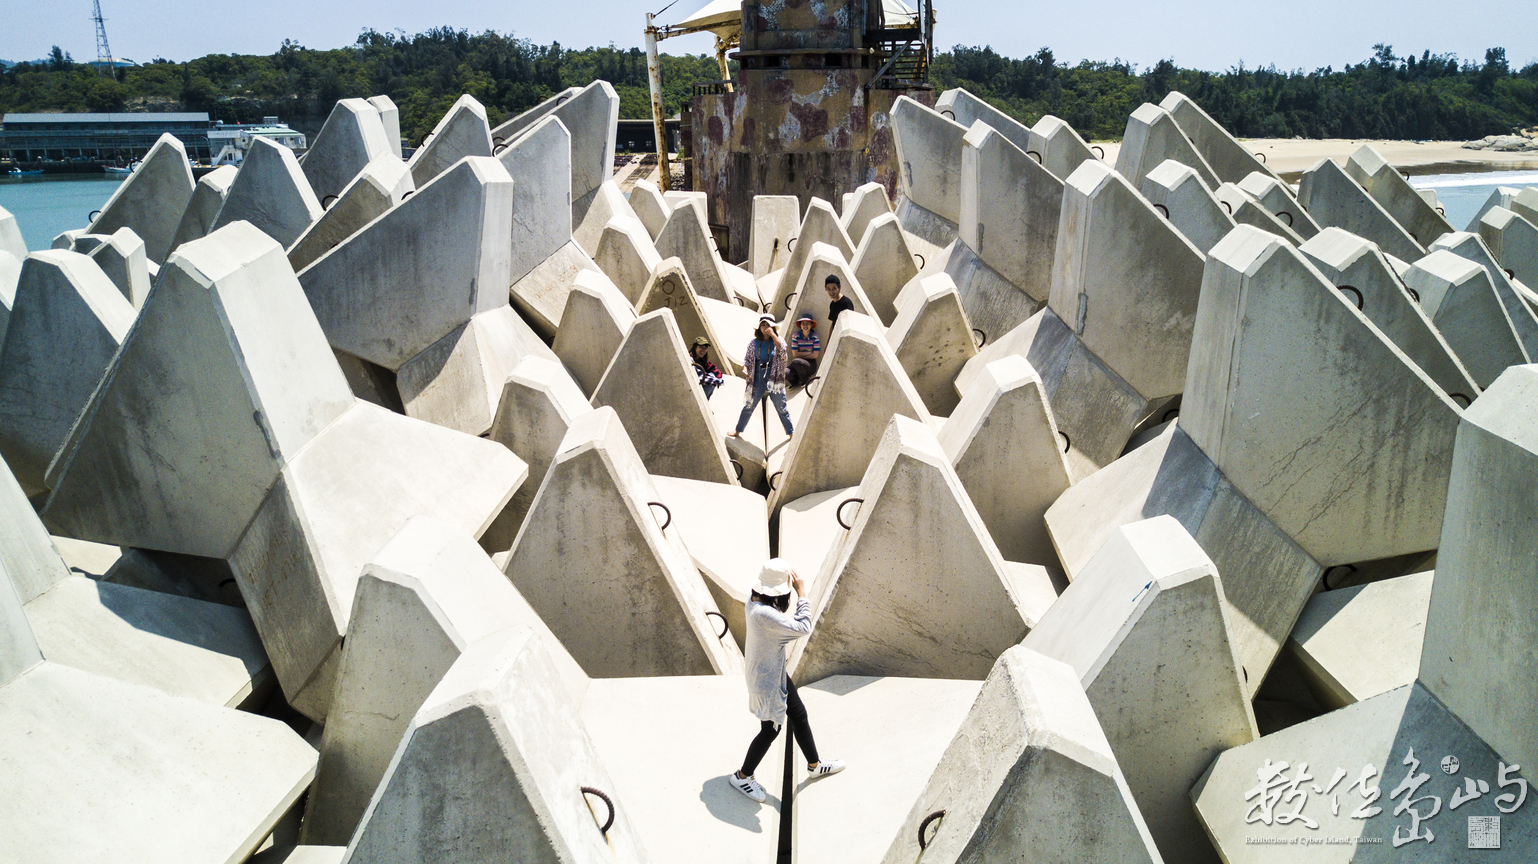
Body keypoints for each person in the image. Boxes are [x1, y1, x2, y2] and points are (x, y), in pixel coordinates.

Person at [730, 558, 845, 802]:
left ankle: (814, 765)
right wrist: (802, 593)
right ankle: (742, 776)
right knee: (770, 730)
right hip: (767, 682)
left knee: (799, 714)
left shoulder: (754, 601)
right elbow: (803, 627)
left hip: (774, 672)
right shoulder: (765, 615)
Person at [728, 315, 794, 438]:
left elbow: (783, 353)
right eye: (763, 325)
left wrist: (773, 335)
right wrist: (745, 369)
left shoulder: (778, 340)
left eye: (768, 325)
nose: (765, 327)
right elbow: (747, 360)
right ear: (759, 327)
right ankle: (738, 430)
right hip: (757, 379)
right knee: (749, 406)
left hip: (774, 379)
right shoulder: (754, 343)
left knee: (781, 407)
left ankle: (790, 432)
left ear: (773, 327)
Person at [786, 313, 820, 389]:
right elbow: (795, 354)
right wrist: (810, 353)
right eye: (803, 323)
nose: (805, 326)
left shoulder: (815, 337)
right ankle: (795, 381)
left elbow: (816, 355)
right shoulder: (796, 336)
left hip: (810, 365)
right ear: (800, 325)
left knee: (796, 361)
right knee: (785, 372)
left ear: (811, 325)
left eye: (807, 323)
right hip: (798, 363)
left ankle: (805, 380)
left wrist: (801, 354)